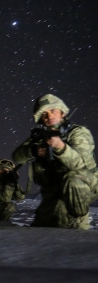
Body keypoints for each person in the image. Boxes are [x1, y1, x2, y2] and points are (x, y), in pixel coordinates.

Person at [12, 94, 97, 229]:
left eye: (53, 111)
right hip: (55, 190)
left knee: (74, 178)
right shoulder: (40, 136)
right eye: (44, 114)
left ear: (62, 112)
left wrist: (60, 147)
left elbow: (79, 165)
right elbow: (17, 156)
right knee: (44, 227)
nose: (49, 116)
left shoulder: (78, 133)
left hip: (84, 186)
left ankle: (79, 222)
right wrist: (34, 150)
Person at [0, 159, 26, 226]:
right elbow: (5, 199)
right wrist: (10, 184)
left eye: (8, 171)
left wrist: (14, 182)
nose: (5, 173)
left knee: (10, 206)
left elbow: (20, 198)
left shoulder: (6, 183)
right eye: (2, 170)